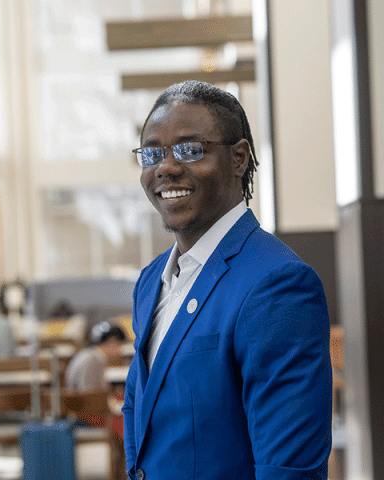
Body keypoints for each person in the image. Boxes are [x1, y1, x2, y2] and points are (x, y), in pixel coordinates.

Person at [123, 81, 332, 480]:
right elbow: (138, 403)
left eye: (189, 149)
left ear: (238, 158)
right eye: (152, 153)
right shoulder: (151, 282)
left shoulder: (278, 285)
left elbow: (287, 471)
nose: (165, 167)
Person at [66, 322, 126, 392]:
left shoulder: (88, 354)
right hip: (83, 401)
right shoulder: (93, 360)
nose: (120, 349)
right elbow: (89, 393)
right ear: (112, 343)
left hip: (81, 400)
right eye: (119, 344)